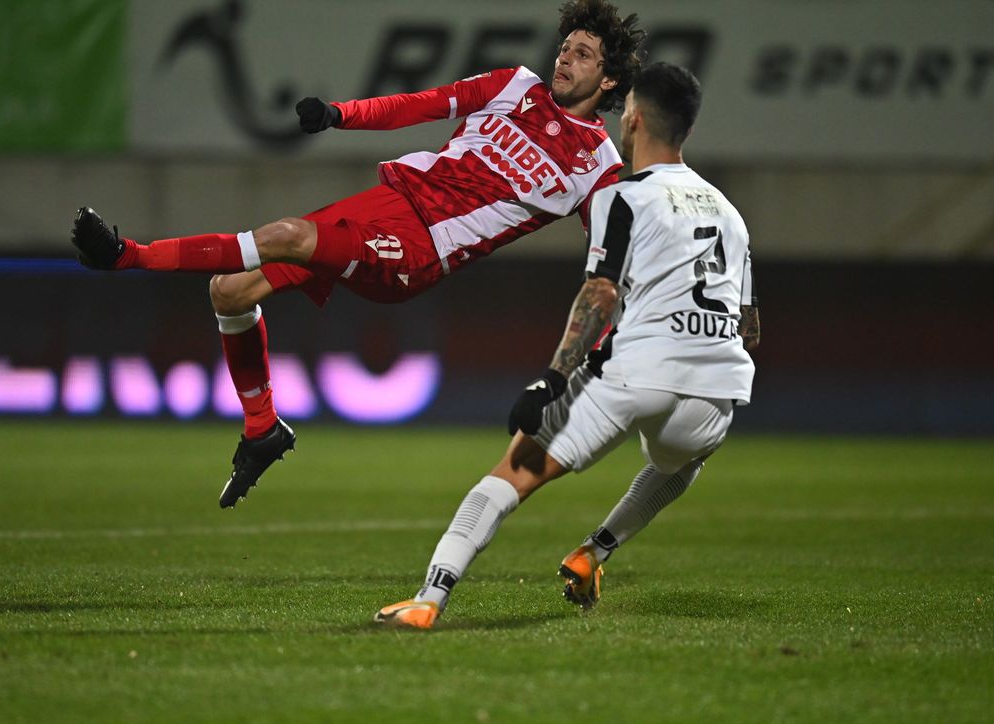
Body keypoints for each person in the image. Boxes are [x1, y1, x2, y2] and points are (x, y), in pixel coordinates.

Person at [71, 0, 644, 508]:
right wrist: (340, 114)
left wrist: (576, 366)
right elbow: (419, 105)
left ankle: (128, 257)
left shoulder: (599, 168)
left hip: (422, 248)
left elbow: (607, 270)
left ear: (610, 78)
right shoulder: (514, 85)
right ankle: (262, 427)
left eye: (583, 54)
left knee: (287, 235)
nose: (564, 60)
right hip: (387, 202)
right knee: (230, 290)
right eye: (564, 47)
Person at [375, 61, 761, 629]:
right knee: (681, 462)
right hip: (718, 388)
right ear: (687, 130)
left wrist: (553, 378)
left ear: (630, 119)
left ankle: (429, 600)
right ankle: (595, 551)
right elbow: (748, 323)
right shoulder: (731, 213)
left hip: (638, 373)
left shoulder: (622, 197)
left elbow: (600, 292)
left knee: (511, 475)